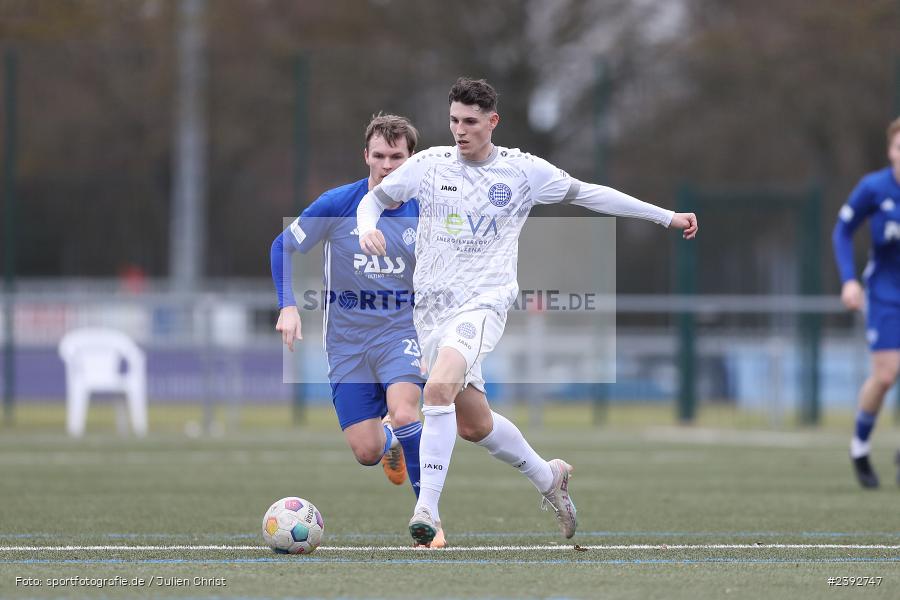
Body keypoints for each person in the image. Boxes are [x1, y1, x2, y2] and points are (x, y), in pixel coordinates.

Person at [356, 78, 698, 545]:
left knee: (436, 389)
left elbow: (589, 193)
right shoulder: (429, 165)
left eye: (471, 122)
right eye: (454, 120)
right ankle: (547, 476)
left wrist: (665, 216)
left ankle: (427, 512)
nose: (460, 130)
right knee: (475, 423)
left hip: (484, 304)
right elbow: (373, 200)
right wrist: (365, 228)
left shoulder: (522, 171)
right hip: (431, 311)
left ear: (492, 122)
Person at [271, 114, 446, 546]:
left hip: (399, 334)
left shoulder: (427, 209)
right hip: (346, 345)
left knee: (406, 411)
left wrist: (435, 335)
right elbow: (283, 245)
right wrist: (288, 305)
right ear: (366, 155)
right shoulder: (338, 203)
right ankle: (389, 441)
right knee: (367, 452)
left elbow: (443, 277)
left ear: (412, 159)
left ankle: (429, 522)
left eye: (398, 156)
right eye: (380, 156)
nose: (388, 165)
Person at [832, 116, 900, 489]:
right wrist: (848, 281)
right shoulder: (874, 188)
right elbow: (842, 230)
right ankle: (859, 447)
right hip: (886, 292)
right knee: (887, 375)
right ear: (891, 151)